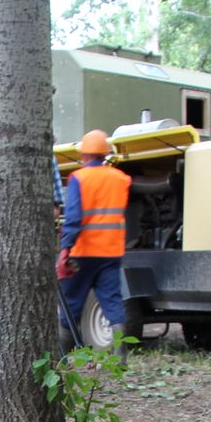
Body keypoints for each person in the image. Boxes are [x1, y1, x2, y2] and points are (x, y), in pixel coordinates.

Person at [56, 129, 131, 346]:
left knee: (71, 303)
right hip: (111, 252)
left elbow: (73, 218)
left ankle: (65, 355)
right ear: (104, 154)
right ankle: (120, 357)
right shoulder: (121, 179)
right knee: (112, 302)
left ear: (84, 155)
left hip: (83, 253)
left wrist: (64, 251)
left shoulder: (79, 178)